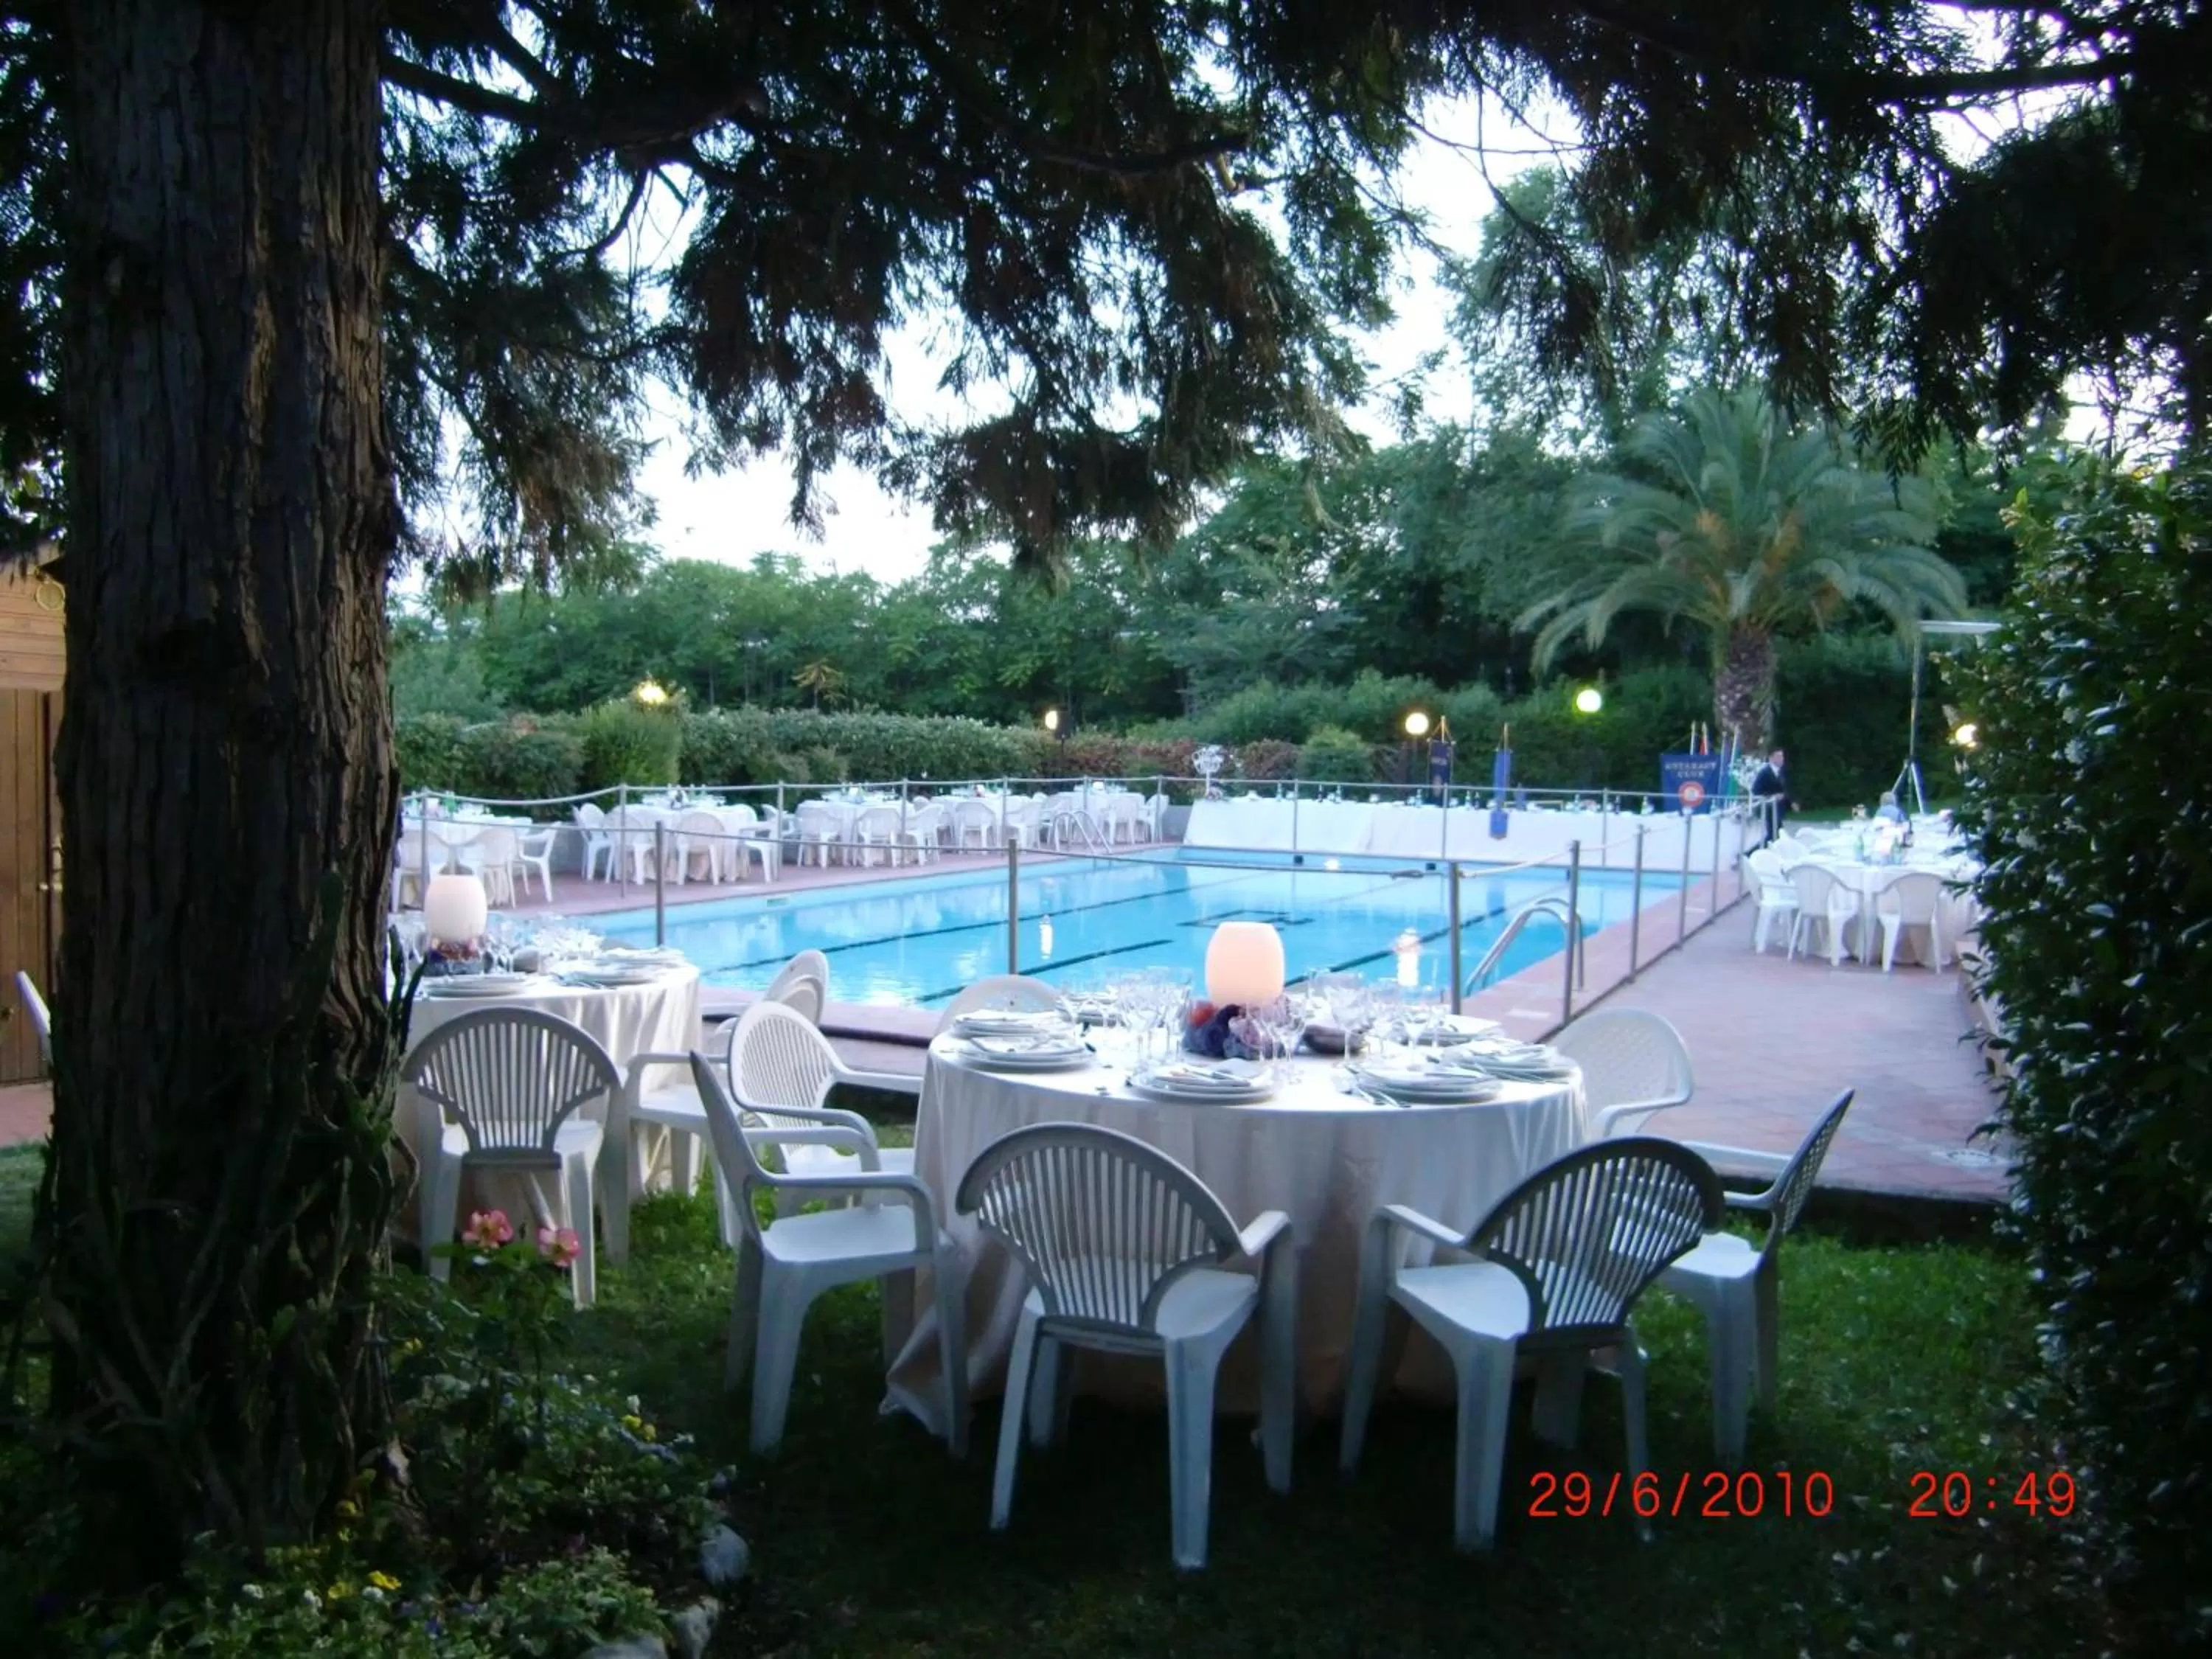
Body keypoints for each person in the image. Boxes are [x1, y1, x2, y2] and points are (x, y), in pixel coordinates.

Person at [1750, 748, 1790, 841]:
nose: (1782, 758)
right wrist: (1772, 797)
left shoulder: (1781, 772)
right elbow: (1756, 790)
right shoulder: (1764, 773)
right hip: (1768, 808)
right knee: (1773, 835)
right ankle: (1750, 853)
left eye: (1782, 756)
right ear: (1772, 758)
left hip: (1777, 809)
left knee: (1777, 834)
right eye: (1779, 756)